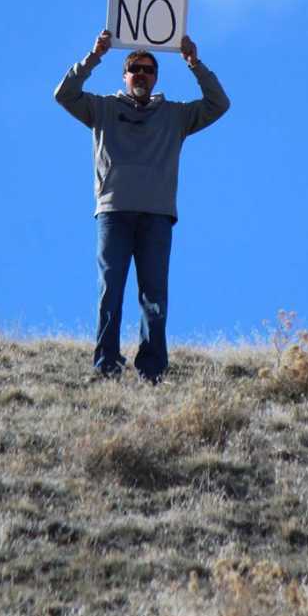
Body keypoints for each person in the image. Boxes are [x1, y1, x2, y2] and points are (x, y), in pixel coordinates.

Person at [54, 29, 230, 382]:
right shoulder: (102, 108)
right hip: (114, 212)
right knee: (111, 291)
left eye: (148, 69)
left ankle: (152, 370)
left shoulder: (175, 115)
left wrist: (195, 64)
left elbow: (218, 104)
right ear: (125, 74)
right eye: (135, 67)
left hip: (157, 215)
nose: (142, 74)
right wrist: (94, 56)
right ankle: (107, 364)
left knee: (154, 296)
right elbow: (65, 94)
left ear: (155, 77)